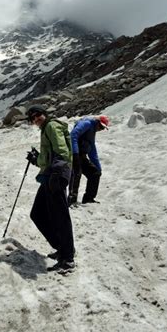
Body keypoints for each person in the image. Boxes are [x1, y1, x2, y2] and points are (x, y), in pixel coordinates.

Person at [26, 105, 75, 272]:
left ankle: (67, 259)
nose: (36, 119)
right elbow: (47, 157)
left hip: (56, 175)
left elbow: (61, 150)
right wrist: (35, 159)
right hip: (50, 175)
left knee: (60, 216)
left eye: (38, 115)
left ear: (44, 114)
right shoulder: (45, 128)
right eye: (32, 118)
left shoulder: (52, 126)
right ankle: (62, 247)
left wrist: (58, 171)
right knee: (37, 214)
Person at [69, 115, 109, 205]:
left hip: (81, 155)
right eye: (101, 127)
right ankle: (71, 200)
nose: (101, 129)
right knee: (76, 174)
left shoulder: (92, 129)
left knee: (95, 173)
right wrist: (74, 153)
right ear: (98, 122)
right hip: (74, 154)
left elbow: (92, 149)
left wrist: (98, 167)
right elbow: (73, 135)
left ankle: (89, 198)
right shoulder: (87, 123)